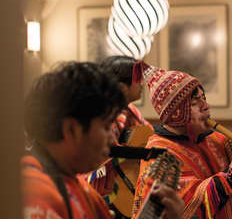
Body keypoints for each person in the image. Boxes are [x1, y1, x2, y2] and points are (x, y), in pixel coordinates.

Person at [22, 61, 184, 219]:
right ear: (71, 130)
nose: (113, 139)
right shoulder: (35, 197)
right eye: (107, 127)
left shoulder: (79, 186)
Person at [131, 62, 232, 219]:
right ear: (176, 114)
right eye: (194, 103)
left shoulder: (220, 141)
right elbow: (186, 211)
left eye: (203, 98)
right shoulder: (159, 155)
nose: (206, 106)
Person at [87, 56, 154, 212]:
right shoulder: (104, 114)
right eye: (138, 79)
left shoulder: (130, 111)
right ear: (122, 88)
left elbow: (149, 134)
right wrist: (146, 153)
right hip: (100, 187)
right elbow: (109, 149)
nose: (142, 84)